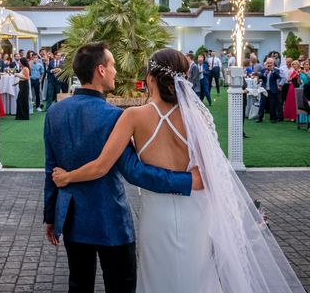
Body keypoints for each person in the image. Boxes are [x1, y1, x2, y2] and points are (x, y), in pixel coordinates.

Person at [51, 46, 304, 293]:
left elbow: (103, 166)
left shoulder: (133, 117)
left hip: (156, 216)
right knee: (197, 279)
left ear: (151, 78)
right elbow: (207, 176)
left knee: (157, 279)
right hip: (195, 212)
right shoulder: (198, 117)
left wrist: (67, 177)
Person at [43, 43, 201, 293]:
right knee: (121, 286)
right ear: (101, 71)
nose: (116, 71)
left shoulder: (54, 112)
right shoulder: (113, 115)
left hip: (71, 216)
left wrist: (50, 215)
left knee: (78, 284)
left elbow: (50, 168)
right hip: (112, 220)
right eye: (113, 65)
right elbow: (134, 172)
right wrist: (187, 181)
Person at [256, 58, 282, 123]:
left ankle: (272, 118)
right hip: (264, 89)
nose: (269, 64)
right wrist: (265, 73)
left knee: (272, 104)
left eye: (270, 63)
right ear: (266, 63)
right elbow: (260, 77)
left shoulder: (276, 70)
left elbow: (278, 77)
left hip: (272, 89)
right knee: (262, 103)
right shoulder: (263, 70)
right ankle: (260, 117)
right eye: (268, 63)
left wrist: (272, 70)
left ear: (273, 64)